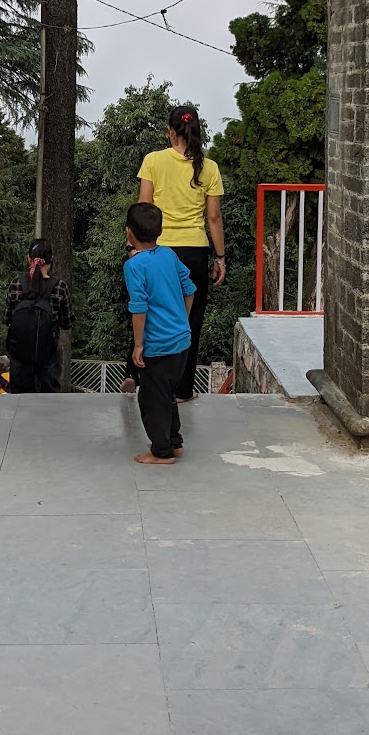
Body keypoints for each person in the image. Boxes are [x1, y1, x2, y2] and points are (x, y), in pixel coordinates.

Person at [125, 104, 225, 403]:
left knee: (144, 308)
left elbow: (144, 208)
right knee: (189, 321)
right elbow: (214, 218)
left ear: (170, 131)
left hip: (156, 248)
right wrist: (220, 257)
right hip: (194, 250)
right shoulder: (210, 168)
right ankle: (181, 391)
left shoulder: (153, 161)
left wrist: (133, 248)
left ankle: (135, 372)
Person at [124, 201, 195, 465]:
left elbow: (139, 308)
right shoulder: (169, 254)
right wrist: (181, 320)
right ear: (160, 231)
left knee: (152, 400)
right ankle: (174, 442)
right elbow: (189, 290)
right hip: (181, 342)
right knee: (168, 393)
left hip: (157, 345)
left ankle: (161, 452)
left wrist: (138, 345)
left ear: (128, 232)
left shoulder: (134, 267)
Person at [4, 239, 71, 394]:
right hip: (49, 353)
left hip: (20, 353)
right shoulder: (60, 287)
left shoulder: (16, 284)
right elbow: (66, 323)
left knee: (19, 399)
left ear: (29, 259)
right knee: (49, 398)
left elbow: (7, 319)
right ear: (51, 260)